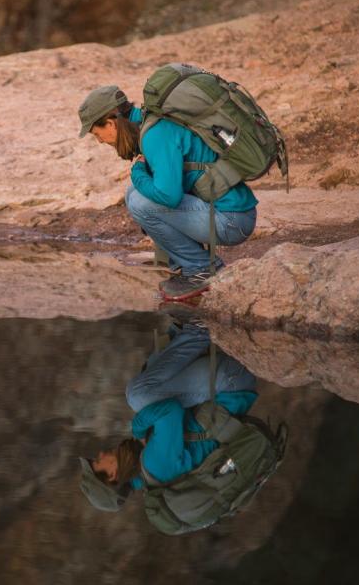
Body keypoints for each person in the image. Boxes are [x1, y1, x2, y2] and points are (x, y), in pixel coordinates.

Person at [77, 84, 258, 299]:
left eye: (97, 134)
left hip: (232, 222)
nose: (99, 141)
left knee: (140, 203)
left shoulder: (155, 134)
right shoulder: (151, 122)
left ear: (110, 123)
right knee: (134, 194)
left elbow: (168, 197)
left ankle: (201, 269)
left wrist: (137, 172)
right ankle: (180, 264)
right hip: (226, 214)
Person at [78, 322, 258, 512]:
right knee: (138, 396)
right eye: (98, 462)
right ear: (113, 474)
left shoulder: (148, 466)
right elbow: (171, 410)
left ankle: (182, 328)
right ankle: (197, 330)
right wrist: (138, 427)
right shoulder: (156, 466)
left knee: (147, 398)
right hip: (232, 383)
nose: (99, 455)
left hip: (223, 387)